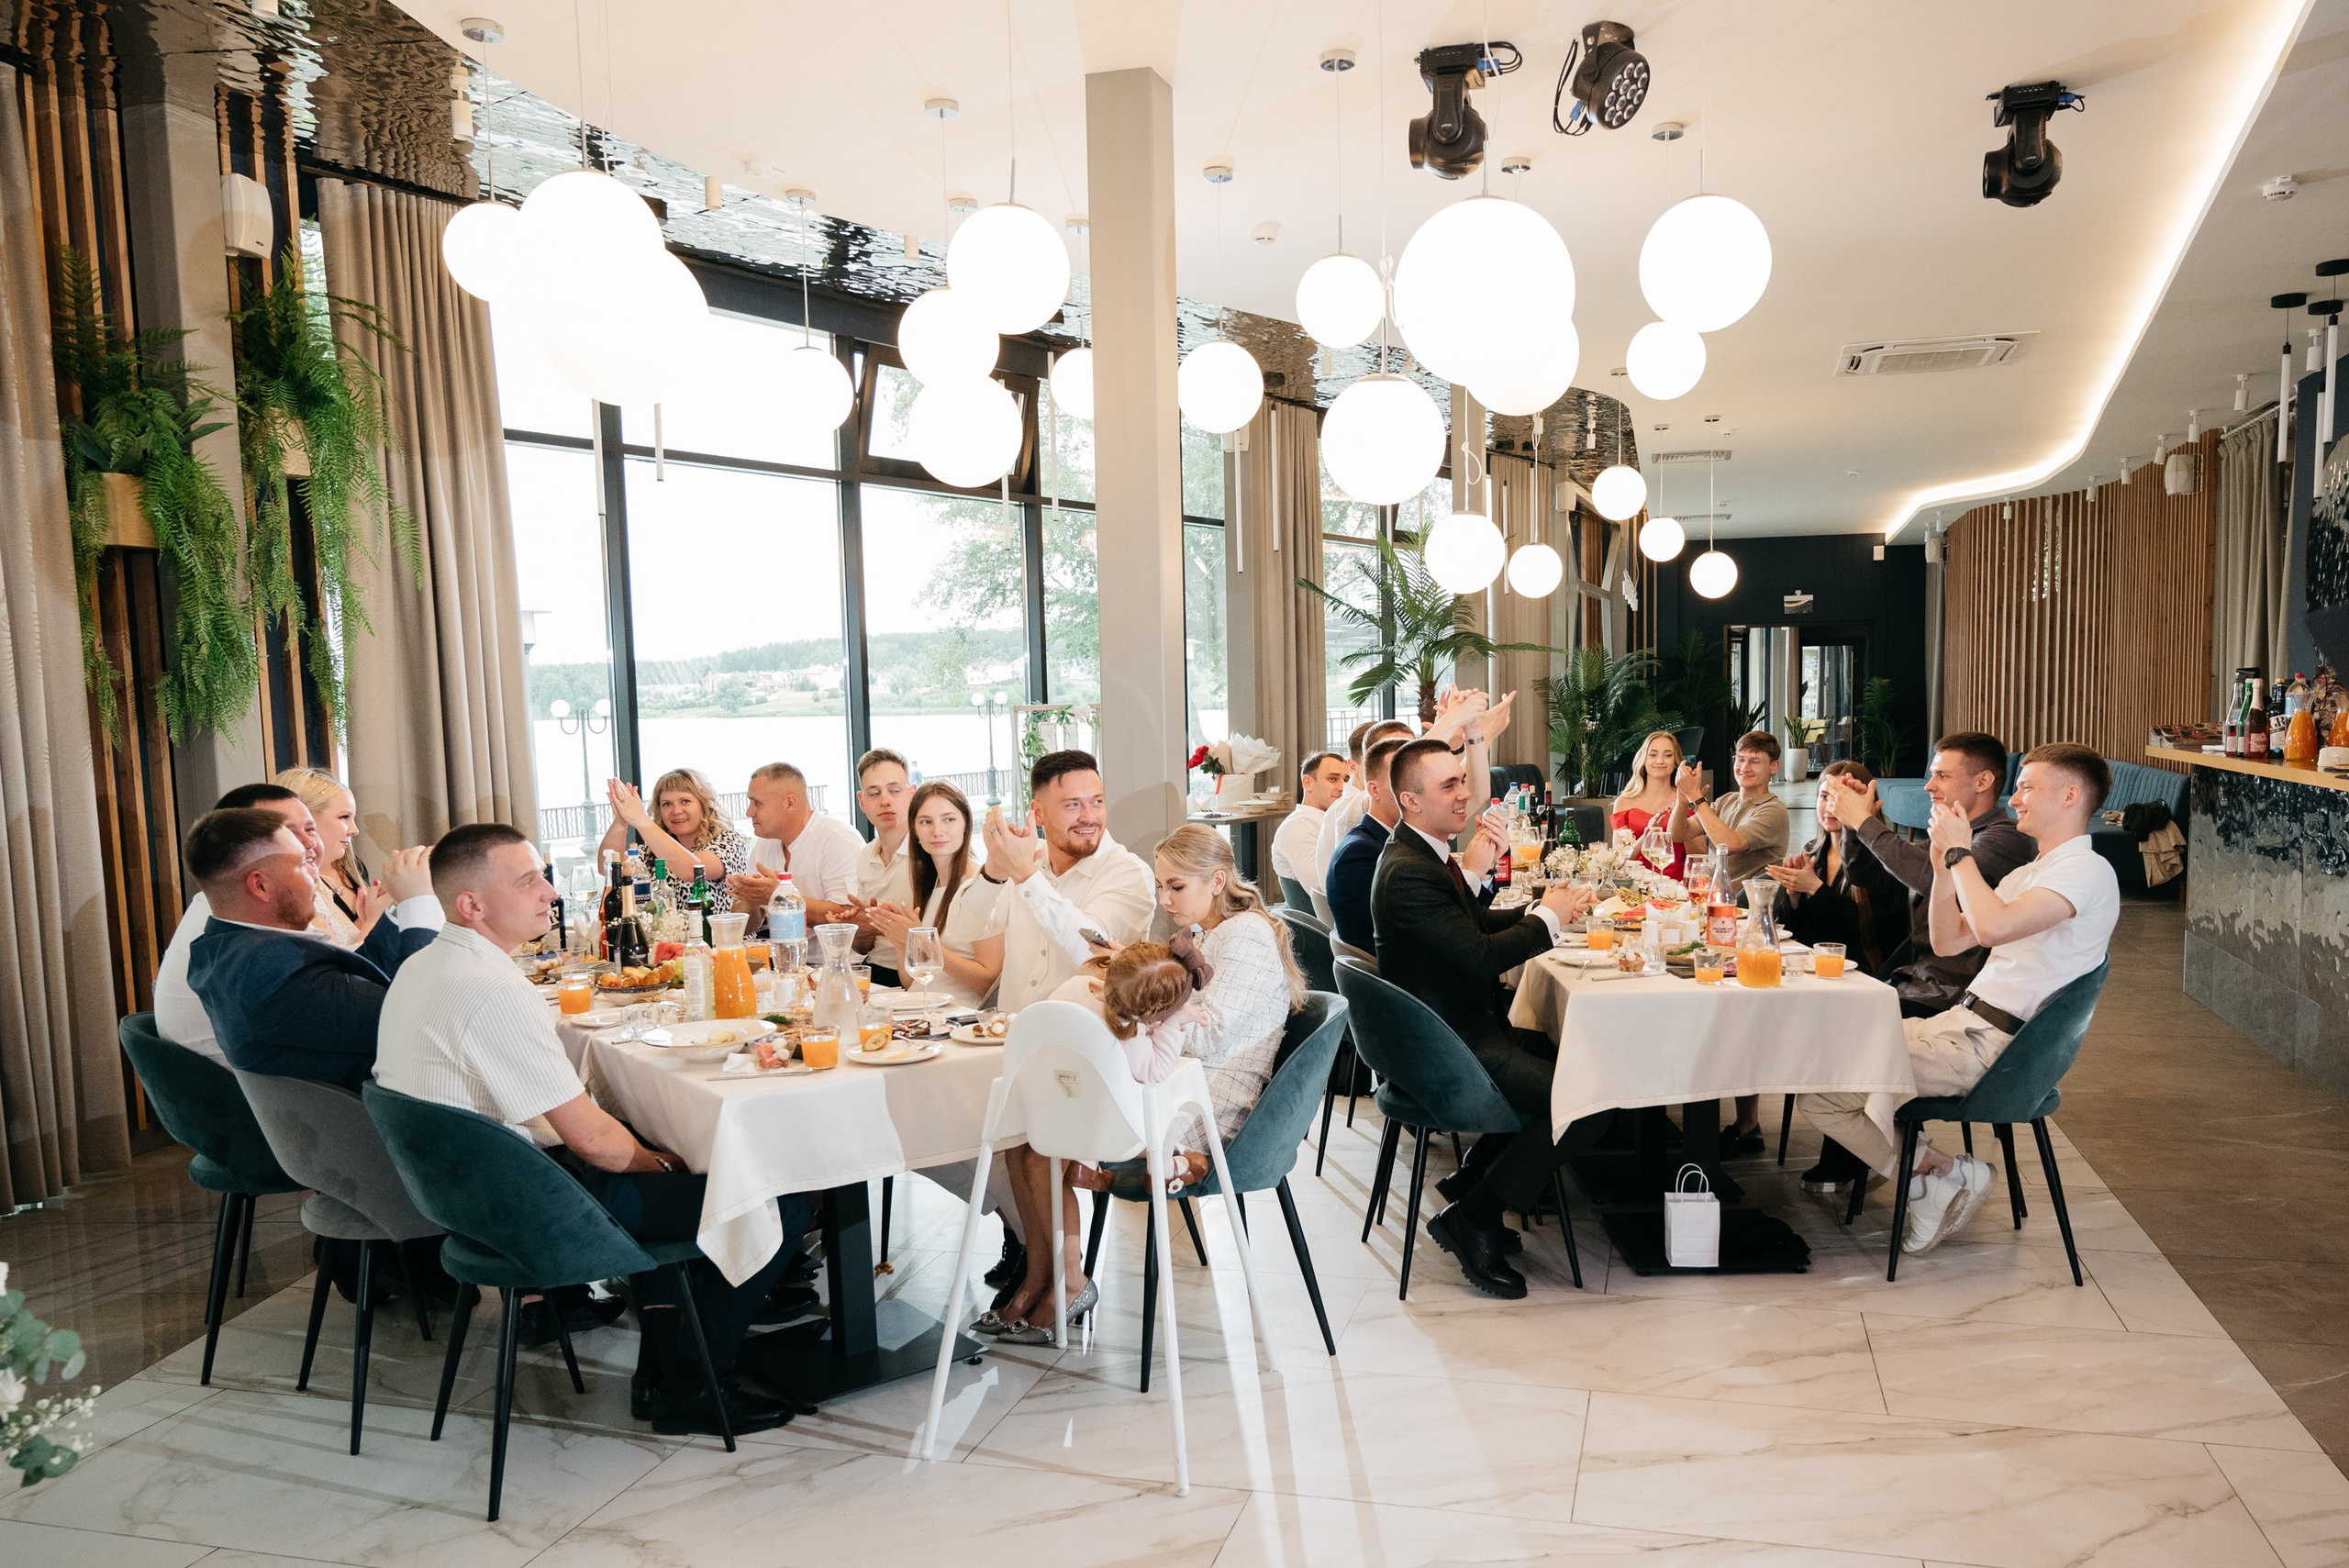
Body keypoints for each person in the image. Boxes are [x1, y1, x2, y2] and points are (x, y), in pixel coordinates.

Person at [373, 823, 804, 1437]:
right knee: (771, 1199)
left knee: (670, 1160)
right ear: (471, 904)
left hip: (462, 1195)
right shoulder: (491, 987)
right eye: (527, 881)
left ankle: (664, 1368)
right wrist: (668, 1163)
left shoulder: (424, 965)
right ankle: (692, 1384)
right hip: (524, 1208)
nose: (549, 893)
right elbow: (592, 1142)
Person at [1798, 743, 2120, 1254]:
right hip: (1958, 1023)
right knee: (1816, 1072)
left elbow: (1991, 928)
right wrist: (1944, 873)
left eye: (2027, 787)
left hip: (1997, 1050)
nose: (2014, 800)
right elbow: (1949, 942)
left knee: (1825, 1081)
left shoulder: (2085, 871)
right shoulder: (2028, 873)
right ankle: (1941, 1175)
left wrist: (1958, 854)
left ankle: (1937, 1178)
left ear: (2071, 796)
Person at [990, 828, 1308, 1342]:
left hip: (1207, 1109)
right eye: (1161, 886)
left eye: (1175, 887)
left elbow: (1212, 1036)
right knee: (1026, 1143)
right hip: (1175, 1089)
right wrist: (1134, 980)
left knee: (1037, 1144)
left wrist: (1141, 994)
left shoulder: (1245, 934)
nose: (1164, 900)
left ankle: (1064, 1285)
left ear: (1217, 881)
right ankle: (1043, 1279)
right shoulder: (1210, 936)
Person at [1372, 738, 1598, 1299]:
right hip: (1446, 1049)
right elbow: (1478, 955)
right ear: (1411, 799)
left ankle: (1471, 1185)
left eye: (1461, 780)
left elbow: (1472, 924)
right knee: (1589, 1102)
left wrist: (1547, 908)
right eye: (1448, 785)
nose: (1465, 793)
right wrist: (1546, 918)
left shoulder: (1423, 852)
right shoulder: (1407, 870)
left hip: (1458, 1027)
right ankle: (1474, 1216)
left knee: (1563, 1051)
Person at [974, 944, 1202, 1344]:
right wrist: (1172, 1023)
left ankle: (1053, 1278)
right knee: (1036, 1161)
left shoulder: (1076, 989)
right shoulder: (1128, 1034)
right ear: (1147, 1014)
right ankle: (1056, 1277)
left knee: (1025, 1156)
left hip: (1051, 1108)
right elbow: (1155, 1070)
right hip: (1102, 1125)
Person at [183, 808, 441, 1087]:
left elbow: (349, 988)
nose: (317, 876)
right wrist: (421, 903)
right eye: (304, 863)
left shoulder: (219, 946)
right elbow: (422, 1017)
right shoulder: (267, 969)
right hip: (390, 1108)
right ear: (260, 885)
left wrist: (399, 907)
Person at [1824, 732, 2036, 1016]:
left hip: (1954, 995)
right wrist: (1855, 823)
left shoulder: (2005, 838)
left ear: (1983, 781)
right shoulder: (1948, 835)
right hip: (1918, 981)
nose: (1929, 786)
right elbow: (1865, 876)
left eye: (1942, 776)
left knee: (1829, 1019)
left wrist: (1863, 821)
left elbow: (1932, 877)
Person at [155, 784, 338, 1061]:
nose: (307, 843)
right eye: (285, 832)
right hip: (253, 1090)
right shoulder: (247, 920)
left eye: (310, 829)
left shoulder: (233, 909)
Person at [984, 750, 1156, 1011]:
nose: (1089, 816)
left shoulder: (1130, 873)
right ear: (1038, 813)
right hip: (1011, 1035)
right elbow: (967, 929)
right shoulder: (1029, 860)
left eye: (1097, 802)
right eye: (1073, 805)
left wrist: (1025, 875)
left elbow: (1090, 954)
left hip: (1085, 1040)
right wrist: (994, 869)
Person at [862, 780, 1006, 1009]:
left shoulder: (980, 886)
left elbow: (989, 983)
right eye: (926, 822)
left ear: (966, 825)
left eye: (949, 819)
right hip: (925, 1012)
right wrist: (901, 941)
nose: (937, 831)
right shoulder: (932, 882)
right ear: (915, 831)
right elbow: (913, 984)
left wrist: (925, 943)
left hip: (963, 1019)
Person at [1765, 760, 1911, 976]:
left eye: (1840, 798)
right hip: (1810, 969)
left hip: (1862, 972)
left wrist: (1815, 888)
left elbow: (1873, 935)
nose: (1831, 806)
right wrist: (1793, 897)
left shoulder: (1886, 858)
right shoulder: (1813, 852)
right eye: (1824, 797)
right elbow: (1794, 933)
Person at [725, 762, 863, 929]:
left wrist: (779, 897)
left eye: (757, 803)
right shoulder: (764, 843)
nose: (749, 812)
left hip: (834, 954)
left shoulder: (838, 839)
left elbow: (847, 915)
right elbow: (745, 929)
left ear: (790, 803)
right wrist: (750, 897)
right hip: (781, 952)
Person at [596, 768, 752, 912]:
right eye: (667, 804)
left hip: (720, 940)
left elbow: (693, 870)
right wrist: (621, 819)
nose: (676, 811)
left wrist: (641, 819)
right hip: (667, 942)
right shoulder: (651, 851)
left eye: (685, 801)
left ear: (704, 805)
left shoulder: (729, 841)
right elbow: (609, 868)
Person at [1324, 734, 1414, 951]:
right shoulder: (1359, 853)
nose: (1412, 792)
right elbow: (1416, 931)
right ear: (1373, 790)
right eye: (1402, 783)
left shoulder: (1391, 839)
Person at [276, 767, 382, 946]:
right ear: (306, 818)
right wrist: (375, 920)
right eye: (344, 817)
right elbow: (341, 965)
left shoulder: (353, 867)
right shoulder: (296, 890)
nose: (355, 830)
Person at [1675, 729, 1791, 887]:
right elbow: (1678, 834)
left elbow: (1729, 845)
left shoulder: (1774, 810)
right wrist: (1683, 800)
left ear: (1774, 766)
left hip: (1740, 904)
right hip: (1710, 893)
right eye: (1741, 759)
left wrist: (1696, 798)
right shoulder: (1727, 800)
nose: (1745, 767)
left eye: (1755, 761)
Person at [845, 749, 915, 985]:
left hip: (917, 973)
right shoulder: (866, 855)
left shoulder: (932, 851)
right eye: (874, 793)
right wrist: (858, 925)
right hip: (875, 971)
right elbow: (861, 946)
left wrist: (881, 923)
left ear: (912, 794)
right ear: (862, 802)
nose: (885, 800)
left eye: (895, 790)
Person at [1610, 730, 1692, 882]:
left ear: (1675, 762)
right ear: (1643, 760)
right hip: (1635, 884)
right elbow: (1620, 860)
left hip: (1676, 886)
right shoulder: (1624, 802)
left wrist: (1681, 816)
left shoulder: (1687, 799)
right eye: (1653, 755)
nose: (1660, 761)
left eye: (1667, 755)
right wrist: (1647, 835)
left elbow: (1700, 855)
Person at [1271, 750, 1350, 895]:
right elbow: (1322, 887)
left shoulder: (1332, 819)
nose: (1342, 787)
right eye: (1333, 779)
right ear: (1308, 783)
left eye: (1346, 780)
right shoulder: (1298, 825)